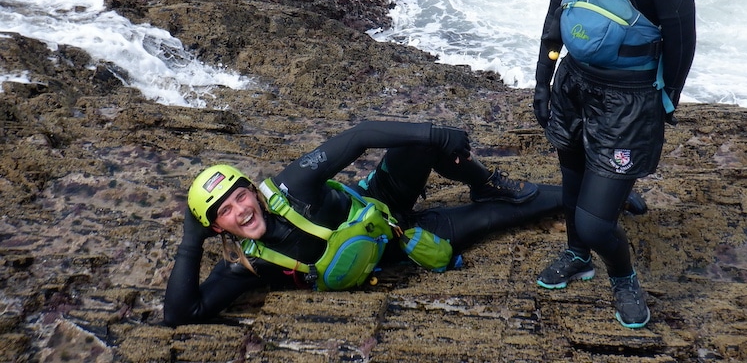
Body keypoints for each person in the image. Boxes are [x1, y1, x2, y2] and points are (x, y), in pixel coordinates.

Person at [164, 120, 561, 326]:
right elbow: (181, 315)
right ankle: (580, 200)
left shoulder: (292, 186)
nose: (241, 211)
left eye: (240, 196)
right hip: (400, 244)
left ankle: (485, 183)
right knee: (504, 218)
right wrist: (190, 240)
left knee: (422, 144)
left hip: (382, 197)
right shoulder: (248, 264)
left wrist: (435, 133)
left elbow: (359, 137)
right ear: (217, 228)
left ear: (253, 191)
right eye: (225, 212)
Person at [532, 0, 696, 329]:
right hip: (575, 86)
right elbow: (556, 17)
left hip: (630, 100)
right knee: (572, 181)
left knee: (595, 218)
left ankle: (623, 278)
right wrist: (543, 80)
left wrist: (667, 98)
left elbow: (682, 32)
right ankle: (577, 255)